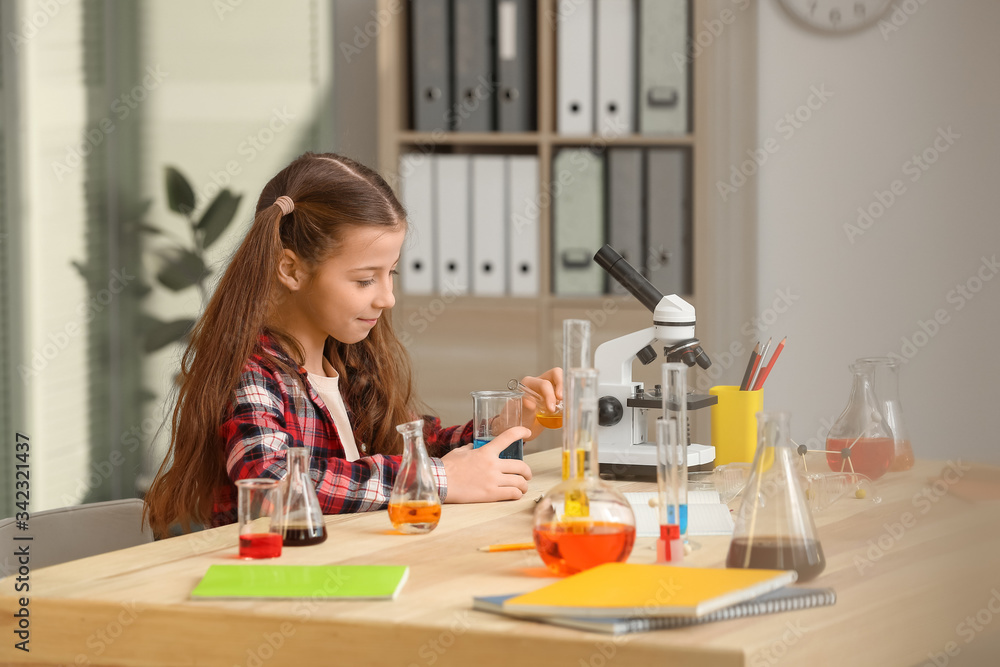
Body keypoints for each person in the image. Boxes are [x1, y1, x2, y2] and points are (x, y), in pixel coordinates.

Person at [143, 152, 562, 537]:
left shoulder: (346, 363)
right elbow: (271, 482)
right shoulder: (254, 373)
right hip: (279, 588)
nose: (387, 298)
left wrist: (505, 425)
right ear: (289, 268)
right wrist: (436, 480)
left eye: (391, 274)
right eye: (365, 279)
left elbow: (415, 444)